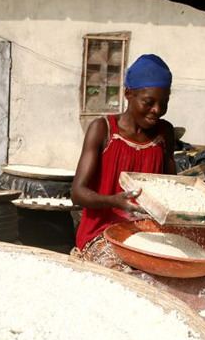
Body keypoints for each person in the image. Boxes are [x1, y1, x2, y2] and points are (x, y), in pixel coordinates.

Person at [70, 54, 176, 271]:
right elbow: (77, 193)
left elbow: (170, 189)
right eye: (149, 102)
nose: (157, 110)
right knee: (126, 278)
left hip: (149, 235)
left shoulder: (165, 133)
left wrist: (204, 198)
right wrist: (114, 201)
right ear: (129, 93)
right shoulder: (103, 129)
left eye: (163, 104)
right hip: (101, 235)